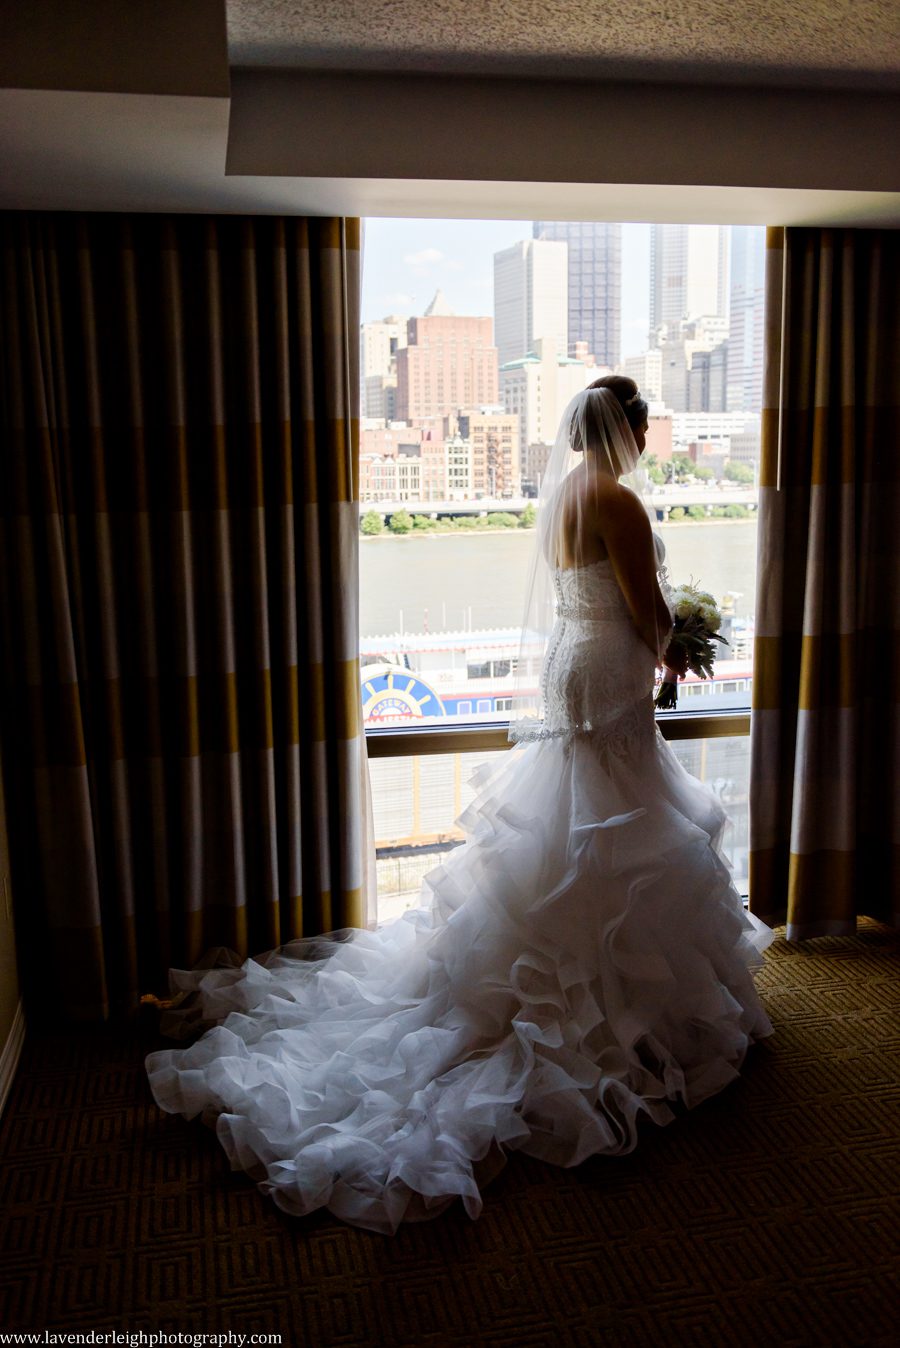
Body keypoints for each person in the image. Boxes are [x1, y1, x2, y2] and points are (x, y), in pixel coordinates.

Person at [146, 377, 773, 1235]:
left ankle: (592, 980)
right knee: (620, 819)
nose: (645, 439)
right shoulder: (617, 500)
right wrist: (678, 645)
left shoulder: (561, 496)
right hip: (612, 668)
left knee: (583, 812)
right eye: (644, 426)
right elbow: (643, 607)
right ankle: (620, 1007)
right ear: (624, 429)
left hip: (571, 665)